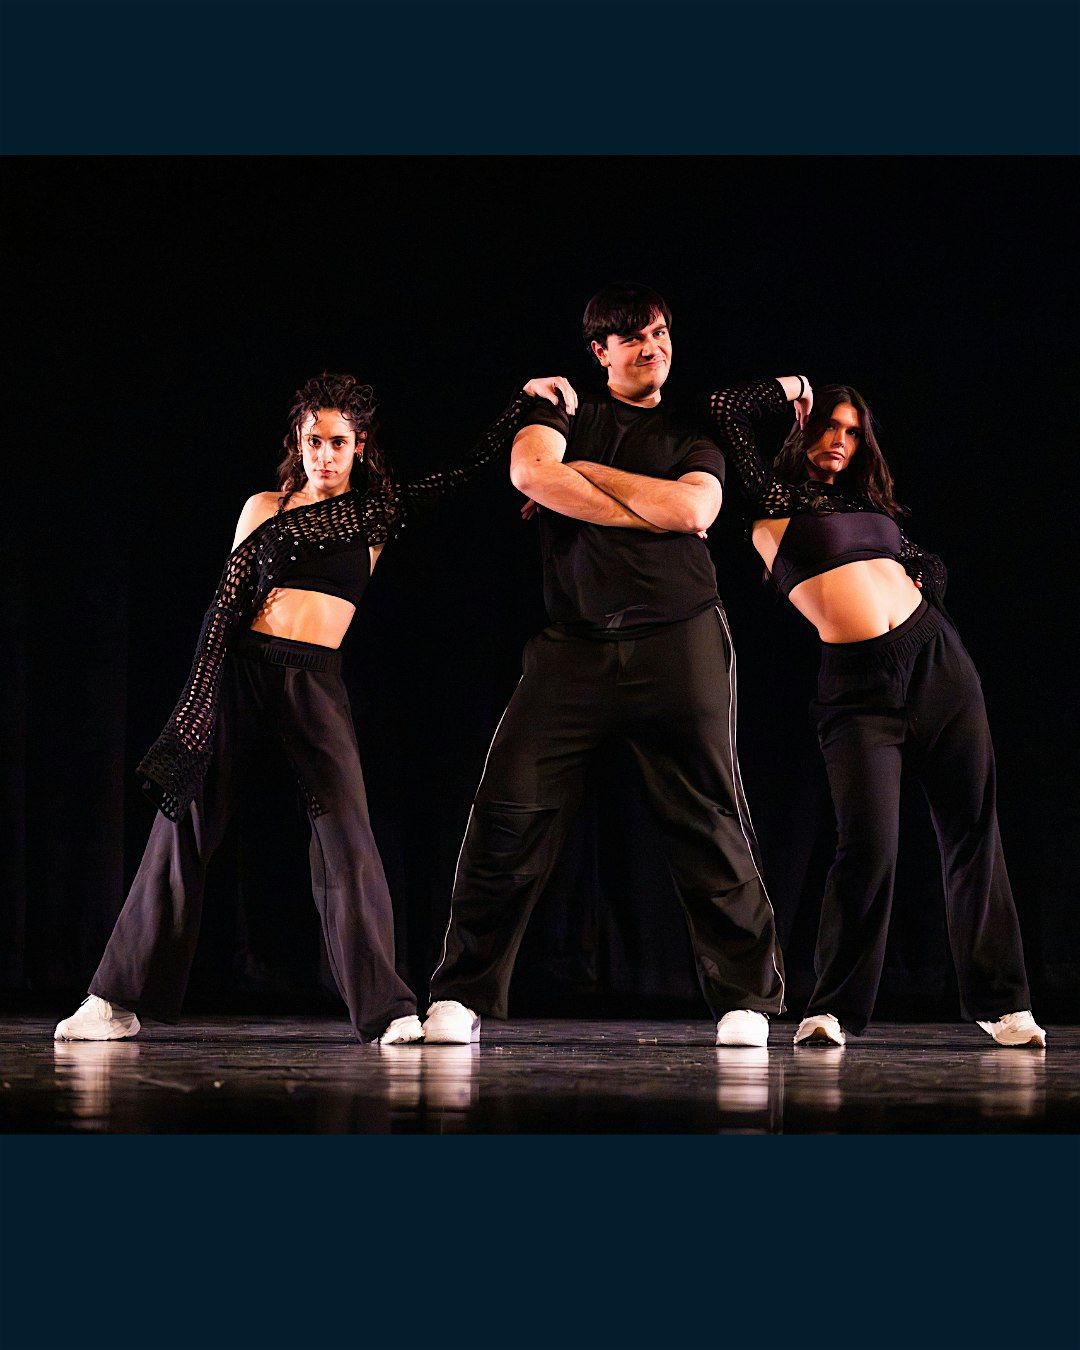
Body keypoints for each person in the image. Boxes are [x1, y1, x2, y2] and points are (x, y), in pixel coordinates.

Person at [55, 373, 527, 1046]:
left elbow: (461, 474)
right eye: (313, 441)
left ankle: (388, 1011)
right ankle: (113, 1000)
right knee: (182, 825)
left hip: (313, 682)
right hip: (241, 672)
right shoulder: (264, 507)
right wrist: (196, 710)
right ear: (297, 443)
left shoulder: (374, 513)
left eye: (338, 442)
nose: (324, 455)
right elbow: (224, 609)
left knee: (348, 838)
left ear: (360, 445)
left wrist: (522, 406)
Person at [423, 282, 786, 1048]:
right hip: (575, 645)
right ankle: (461, 994)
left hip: (679, 637)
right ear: (600, 351)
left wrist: (581, 478)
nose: (653, 348)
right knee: (509, 809)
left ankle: (747, 1000)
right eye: (633, 338)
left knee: (708, 816)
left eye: (660, 333)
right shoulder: (561, 407)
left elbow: (695, 510)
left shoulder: (692, 429)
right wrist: (637, 501)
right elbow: (531, 474)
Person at [709, 377, 1044, 1048]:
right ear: (803, 429)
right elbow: (725, 407)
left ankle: (1002, 1003)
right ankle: (833, 1007)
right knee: (867, 846)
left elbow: (927, 563)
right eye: (828, 426)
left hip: (937, 661)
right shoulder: (778, 499)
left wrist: (920, 588)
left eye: (852, 431)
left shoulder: (868, 506)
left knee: (972, 830)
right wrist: (796, 388)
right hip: (857, 689)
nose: (839, 439)